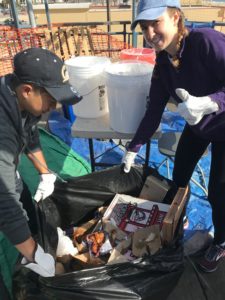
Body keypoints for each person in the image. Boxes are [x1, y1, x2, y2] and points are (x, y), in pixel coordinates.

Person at [122, 0, 225, 272]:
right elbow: (154, 110)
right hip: (199, 127)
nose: (150, 33)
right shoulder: (163, 63)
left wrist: (212, 102)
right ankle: (178, 221)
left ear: (176, 17)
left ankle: (221, 242)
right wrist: (133, 148)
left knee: (218, 193)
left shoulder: (206, 41)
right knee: (178, 180)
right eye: (144, 27)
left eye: (155, 23)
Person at [0, 47, 82, 277]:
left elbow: (30, 132)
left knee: (26, 207)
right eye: (52, 99)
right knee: (11, 211)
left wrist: (45, 174)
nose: (54, 107)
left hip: (9, 171)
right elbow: (5, 203)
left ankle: (42, 245)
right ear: (28, 90)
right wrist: (34, 255)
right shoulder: (2, 130)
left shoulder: (19, 97)